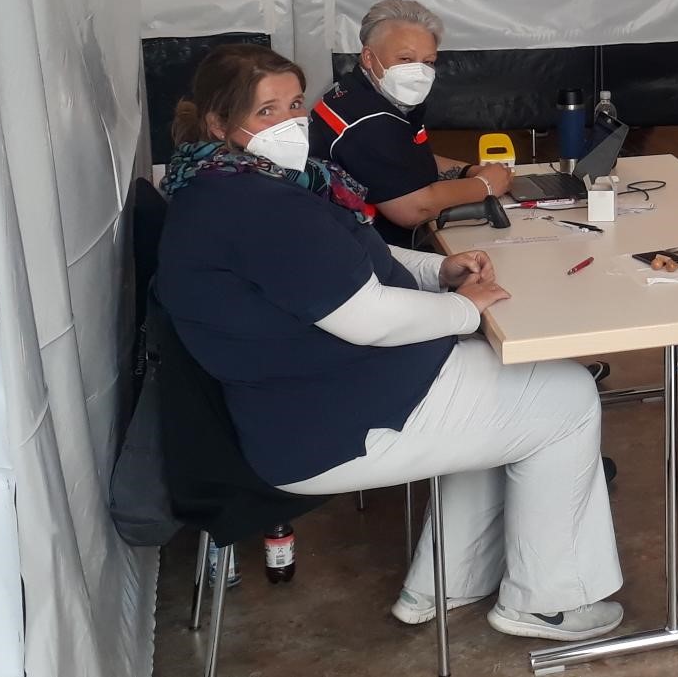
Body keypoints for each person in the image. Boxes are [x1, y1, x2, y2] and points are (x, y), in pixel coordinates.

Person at [157, 43, 624, 642]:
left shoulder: (229, 184)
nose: (290, 121)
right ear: (220, 123)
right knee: (566, 397)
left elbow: (355, 258)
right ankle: (549, 603)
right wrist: (464, 309)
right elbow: (367, 318)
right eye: (266, 111)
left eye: (295, 104)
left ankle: (444, 583)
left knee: (513, 397)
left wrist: (438, 272)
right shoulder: (256, 206)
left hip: (309, 401)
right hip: (328, 421)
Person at [310, 0, 513, 248]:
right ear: (369, 57)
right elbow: (413, 209)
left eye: (428, 62)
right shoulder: (367, 122)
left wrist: (468, 171)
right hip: (373, 252)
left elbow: (404, 157)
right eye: (405, 59)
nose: (418, 72)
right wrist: (485, 185)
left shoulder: (359, 93)